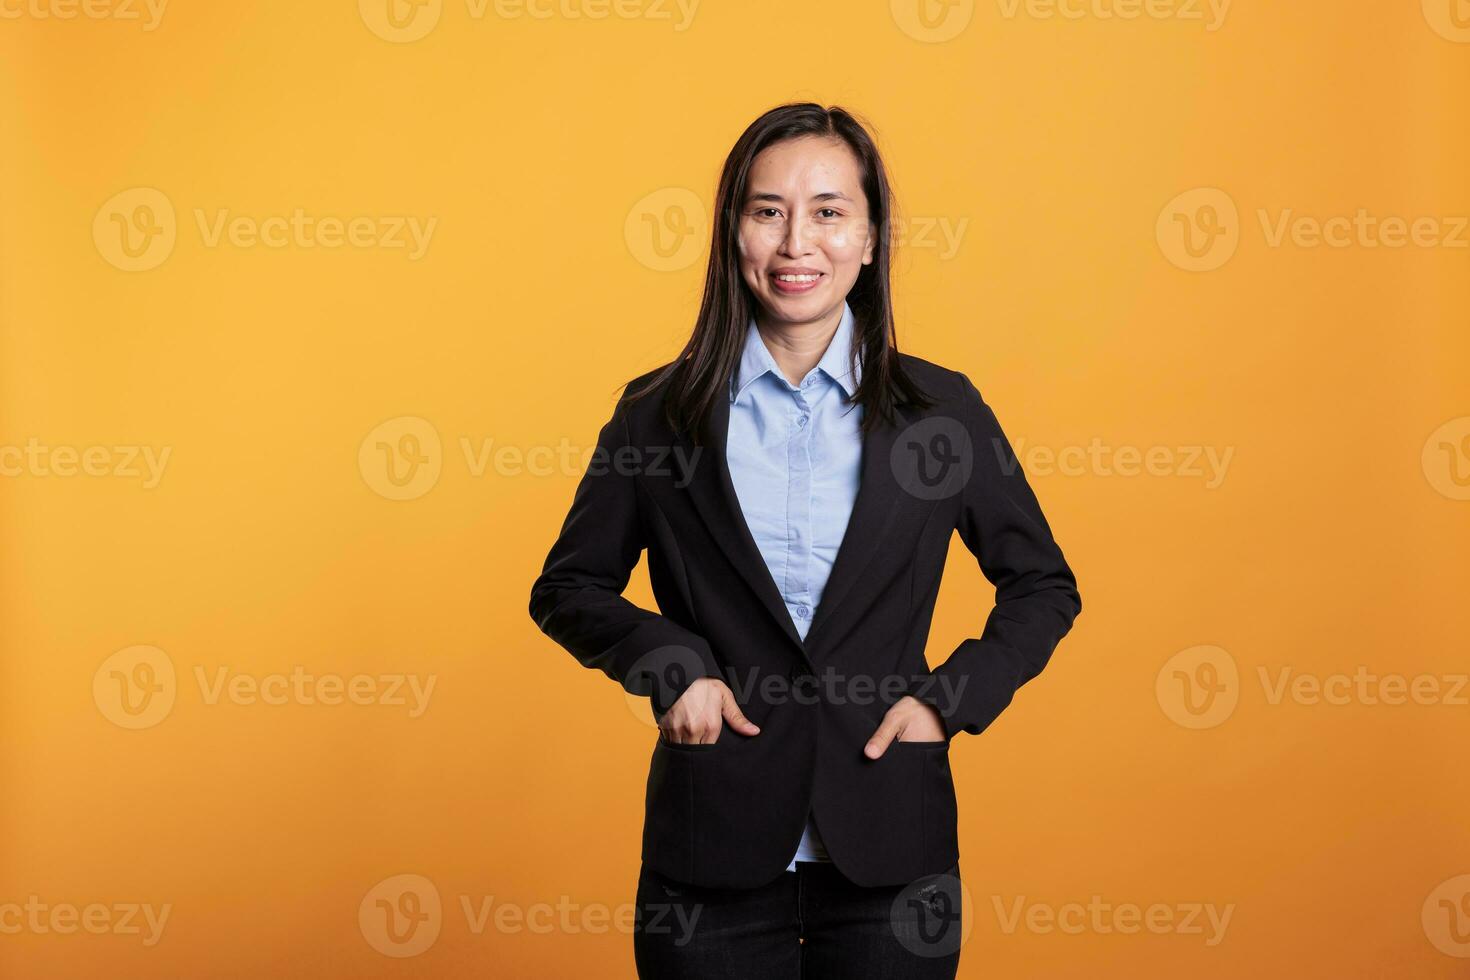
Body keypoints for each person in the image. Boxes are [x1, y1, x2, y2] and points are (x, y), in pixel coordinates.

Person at [529, 102, 1082, 979]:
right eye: (767, 211)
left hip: (892, 857)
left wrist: (949, 700)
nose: (798, 244)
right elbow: (567, 589)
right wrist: (670, 661)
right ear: (733, 234)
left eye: (829, 212)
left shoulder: (942, 413)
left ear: (869, 240)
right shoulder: (656, 414)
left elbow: (1043, 585)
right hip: (709, 856)